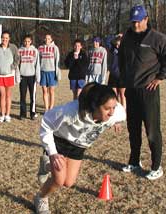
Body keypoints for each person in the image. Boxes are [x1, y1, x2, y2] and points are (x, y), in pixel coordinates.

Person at [34, 83, 126, 213]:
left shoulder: (117, 113)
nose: (111, 112)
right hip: (60, 141)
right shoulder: (71, 111)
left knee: (68, 183)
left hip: (79, 147)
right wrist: (53, 153)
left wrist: (116, 121)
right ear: (94, 106)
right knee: (59, 180)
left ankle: (47, 166)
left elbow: (119, 114)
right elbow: (47, 123)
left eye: (114, 107)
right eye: (107, 108)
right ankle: (41, 198)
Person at [119, 5, 166, 180]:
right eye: (133, 22)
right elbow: (122, 59)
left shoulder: (157, 38)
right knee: (133, 128)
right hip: (131, 90)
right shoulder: (127, 37)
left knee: (152, 130)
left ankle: (156, 166)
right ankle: (134, 161)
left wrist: (160, 77)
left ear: (146, 19)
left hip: (148, 90)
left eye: (138, 21)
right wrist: (122, 80)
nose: (136, 25)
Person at [0, 31, 20, 122]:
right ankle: (2, 114)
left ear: (9, 38)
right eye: (3, 37)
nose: (5, 39)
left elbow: (17, 58)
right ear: (1, 38)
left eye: (6, 38)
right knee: (2, 95)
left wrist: (12, 67)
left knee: (8, 95)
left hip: (9, 75)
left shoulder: (13, 47)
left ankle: (8, 115)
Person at [18, 34, 40, 120]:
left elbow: (37, 64)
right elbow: (17, 64)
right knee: (22, 96)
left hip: (32, 76)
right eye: (25, 41)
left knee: (32, 96)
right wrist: (18, 75)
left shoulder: (35, 51)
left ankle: (32, 113)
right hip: (22, 76)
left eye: (28, 41)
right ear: (23, 41)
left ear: (31, 41)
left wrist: (38, 77)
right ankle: (23, 114)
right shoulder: (19, 50)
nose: (27, 43)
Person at [38, 33, 61, 112]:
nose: (47, 40)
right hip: (43, 72)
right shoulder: (40, 48)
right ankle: (46, 108)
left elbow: (57, 61)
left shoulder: (55, 48)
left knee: (51, 91)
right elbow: (38, 60)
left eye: (48, 38)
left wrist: (57, 73)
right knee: (44, 91)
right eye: (46, 38)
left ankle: (51, 108)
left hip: (52, 72)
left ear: (51, 39)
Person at [107, 35, 126, 109]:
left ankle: (124, 112)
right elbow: (107, 40)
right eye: (117, 44)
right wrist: (116, 36)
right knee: (114, 95)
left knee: (122, 95)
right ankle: (117, 111)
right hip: (113, 75)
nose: (118, 46)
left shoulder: (125, 50)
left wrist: (124, 37)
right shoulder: (113, 49)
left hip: (122, 76)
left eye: (119, 44)